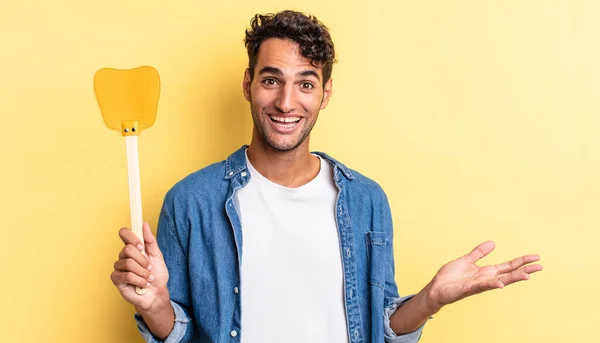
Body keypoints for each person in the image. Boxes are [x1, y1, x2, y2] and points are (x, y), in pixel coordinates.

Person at [110, 10, 542, 343]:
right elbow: (177, 334)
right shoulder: (191, 201)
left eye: (305, 83)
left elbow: (379, 326)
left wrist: (429, 300)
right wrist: (156, 306)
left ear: (325, 93)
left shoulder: (366, 200)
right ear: (248, 84)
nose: (285, 102)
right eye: (271, 79)